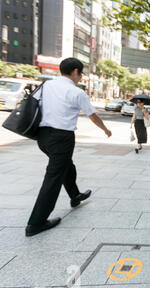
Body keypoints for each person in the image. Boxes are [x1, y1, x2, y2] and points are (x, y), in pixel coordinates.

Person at [25, 57, 112, 237]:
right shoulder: (76, 92)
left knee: (66, 165)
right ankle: (36, 223)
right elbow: (93, 116)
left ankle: (75, 195)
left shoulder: (46, 85)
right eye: (80, 74)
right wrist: (106, 129)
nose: (80, 78)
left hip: (43, 136)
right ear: (74, 72)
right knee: (53, 177)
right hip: (61, 138)